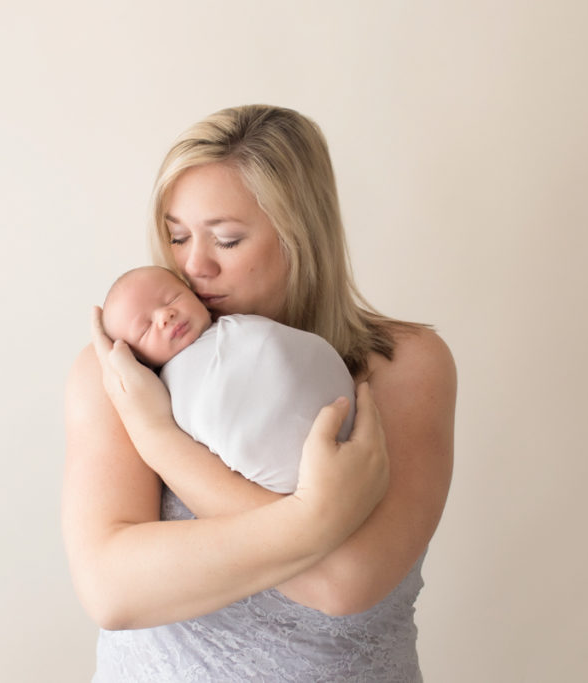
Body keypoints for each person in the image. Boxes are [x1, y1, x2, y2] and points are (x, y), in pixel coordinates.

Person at [63, 105, 456, 681]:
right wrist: (318, 518)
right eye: (177, 236)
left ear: (300, 235)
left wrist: (157, 437)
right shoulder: (124, 374)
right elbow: (111, 592)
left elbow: (346, 583)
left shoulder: (404, 364)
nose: (193, 266)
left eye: (226, 239)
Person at [101, 264, 355, 494]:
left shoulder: (237, 325)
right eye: (145, 328)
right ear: (136, 359)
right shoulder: (160, 395)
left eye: (172, 298)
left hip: (337, 407)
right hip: (278, 479)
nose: (165, 315)